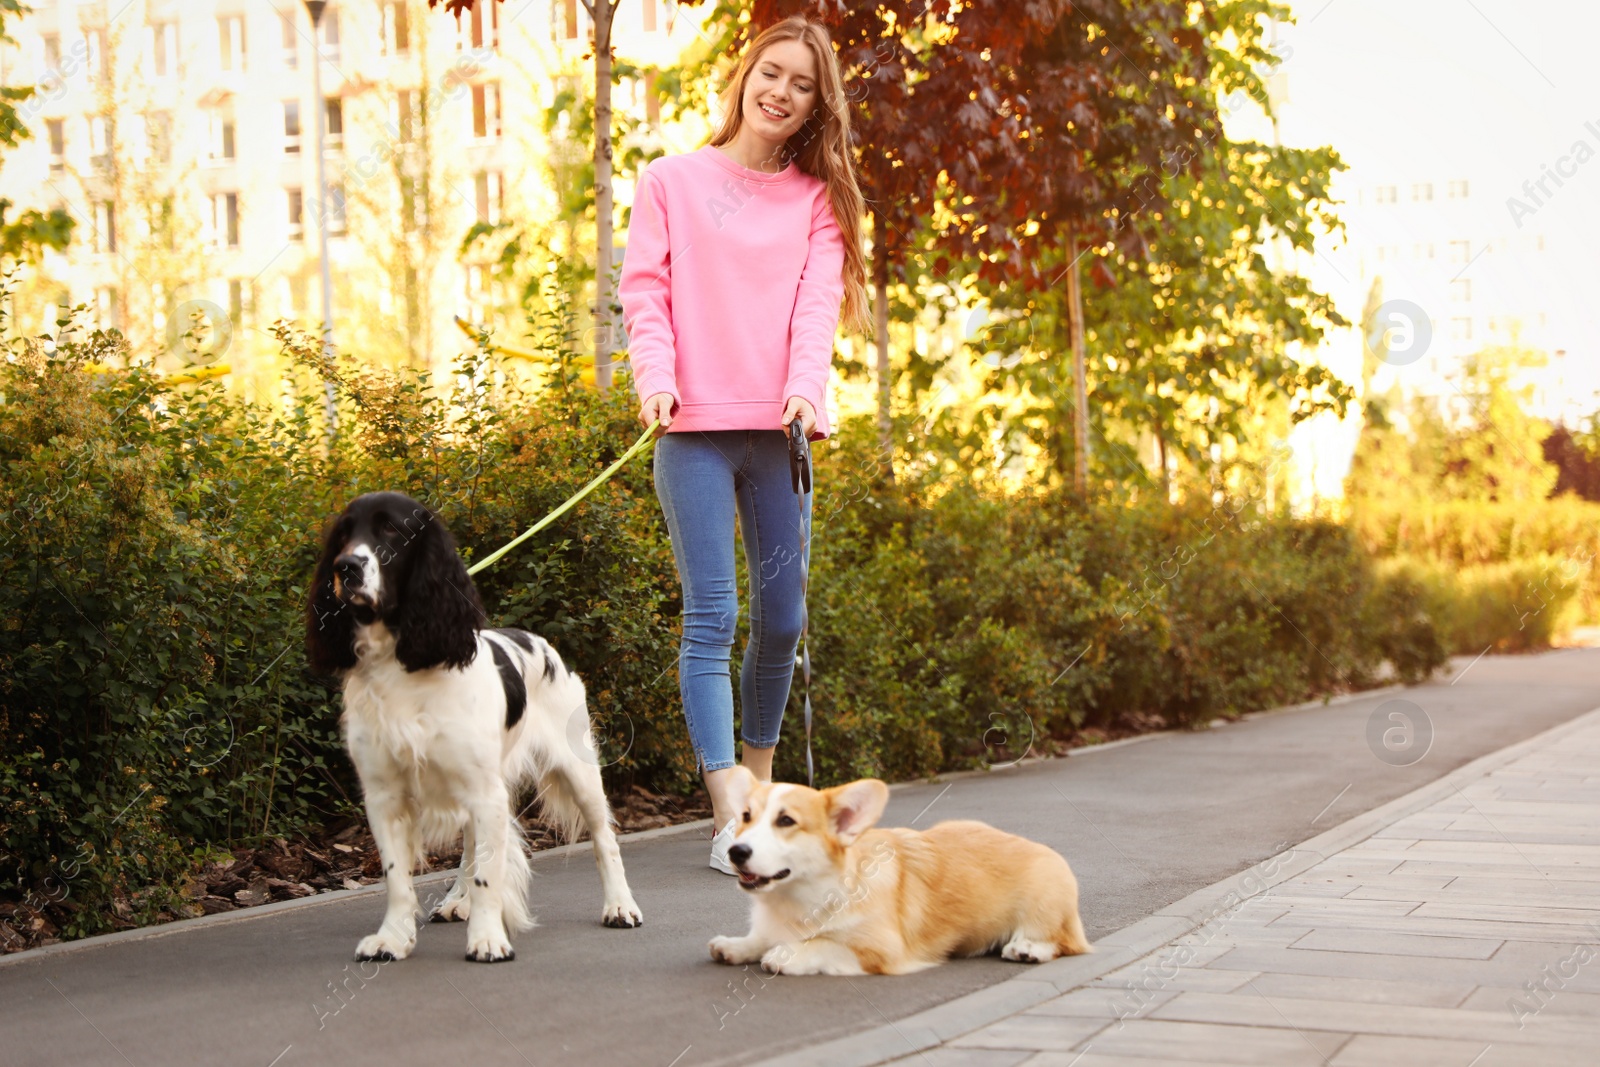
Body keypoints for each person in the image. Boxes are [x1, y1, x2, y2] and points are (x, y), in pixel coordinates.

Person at [618, 15, 870, 874]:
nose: (781, 93)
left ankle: (759, 795)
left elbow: (815, 308)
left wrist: (806, 389)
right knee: (713, 616)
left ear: (814, 107)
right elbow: (644, 293)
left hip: (780, 433)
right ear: (744, 75)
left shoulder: (816, 202)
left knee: (783, 619)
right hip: (690, 431)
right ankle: (728, 801)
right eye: (771, 73)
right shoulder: (671, 182)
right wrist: (653, 378)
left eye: (802, 85)